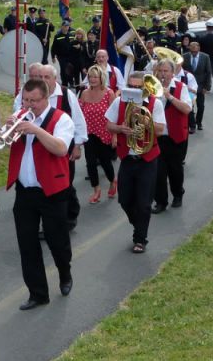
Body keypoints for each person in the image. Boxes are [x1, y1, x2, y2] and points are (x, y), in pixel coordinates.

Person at [4, 77, 74, 310]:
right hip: (25, 191)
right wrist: (9, 130)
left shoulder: (61, 119)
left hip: (52, 191)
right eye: (25, 100)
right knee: (27, 243)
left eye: (33, 101)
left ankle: (65, 273)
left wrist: (36, 130)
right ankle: (38, 293)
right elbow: (9, 143)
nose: (28, 105)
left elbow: (61, 149)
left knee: (57, 241)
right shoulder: (21, 116)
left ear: (46, 98)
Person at [105, 71, 166, 253]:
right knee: (124, 200)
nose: (133, 91)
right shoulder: (119, 101)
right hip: (127, 158)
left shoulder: (155, 103)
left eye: (137, 88)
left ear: (145, 88)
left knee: (144, 203)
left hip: (147, 159)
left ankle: (140, 239)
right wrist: (120, 129)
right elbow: (109, 125)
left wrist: (145, 120)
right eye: (130, 86)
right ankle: (138, 224)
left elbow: (160, 130)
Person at [38, 65, 86, 231]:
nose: (43, 80)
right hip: (40, 148)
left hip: (64, 148)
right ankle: (49, 221)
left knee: (64, 183)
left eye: (47, 77)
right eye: (40, 77)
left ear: (54, 78)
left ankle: (69, 215)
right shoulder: (32, 93)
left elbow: (78, 120)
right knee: (42, 184)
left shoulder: (66, 94)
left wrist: (78, 145)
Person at [152, 59, 192, 212]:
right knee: (158, 172)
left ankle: (178, 194)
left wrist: (169, 96)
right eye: (160, 71)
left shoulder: (181, 87)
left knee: (175, 170)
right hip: (158, 136)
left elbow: (187, 109)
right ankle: (161, 201)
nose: (162, 74)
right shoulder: (152, 87)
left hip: (175, 136)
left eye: (166, 71)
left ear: (172, 72)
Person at [79, 65, 116, 204]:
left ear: (101, 78)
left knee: (106, 162)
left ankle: (112, 181)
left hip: (104, 133)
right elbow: (80, 115)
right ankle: (96, 189)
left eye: (95, 76)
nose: (92, 79)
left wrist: (115, 136)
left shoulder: (109, 93)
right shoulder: (84, 93)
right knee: (90, 163)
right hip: (89, 133)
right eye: (90, 76)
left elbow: (114, 116)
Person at [184, 40, 212, 131]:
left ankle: (199, 122)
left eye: (195, 52)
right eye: (192, 52)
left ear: (199, 49)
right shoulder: (185, 57)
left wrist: (207, 87)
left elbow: (208, 72)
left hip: (200, 86)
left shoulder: (205, 57)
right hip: (189, 87)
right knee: (190, 106)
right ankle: (192, 125)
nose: (194, 54)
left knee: (201, 106)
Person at [51, 18, 74, 85]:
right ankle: (64, 83)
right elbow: (54, 47)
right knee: (63, 69)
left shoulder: (71, 35)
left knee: (70, 68)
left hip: (70, 56)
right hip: (61, 56)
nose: (66, 28)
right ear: (62, 27)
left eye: (67, 26)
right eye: (64, 26)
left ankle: (71, 81)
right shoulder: (58, 36)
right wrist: (53, 57)